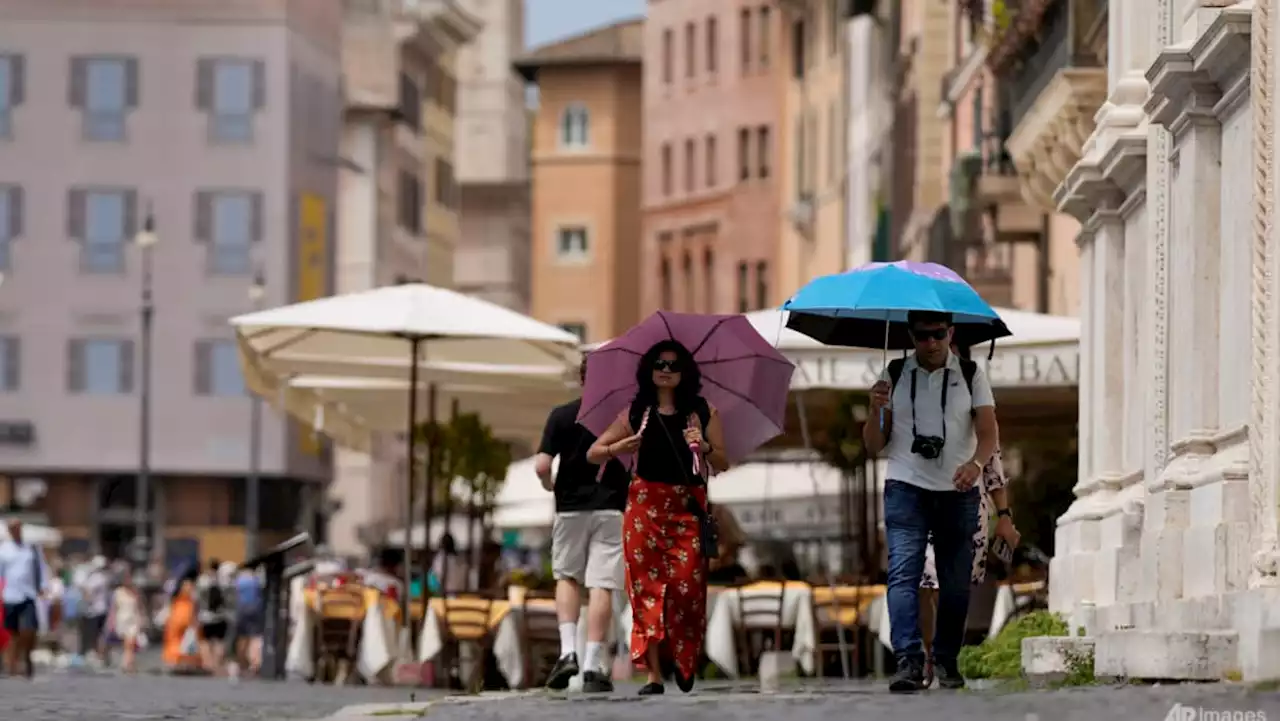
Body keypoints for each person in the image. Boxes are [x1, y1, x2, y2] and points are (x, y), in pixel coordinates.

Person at [863, 311, 998, 693]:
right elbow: (874, 444)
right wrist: (875, 410)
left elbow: (988, 435)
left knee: (955, 584)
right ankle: (908, 660)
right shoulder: (893, 374)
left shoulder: (971, 375)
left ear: (950, 333)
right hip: (906, 487)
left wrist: (975, 464)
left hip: (958, 491)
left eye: (939, 334)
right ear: (911, 336)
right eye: (922, 337)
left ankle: (946, 659)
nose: (931, 343)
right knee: (902, 574)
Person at [588, 339, 729, 696]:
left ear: (685, 372)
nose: (666, 371)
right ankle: (652, 674)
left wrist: (705, 446)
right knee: (645, 591)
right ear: (649, 371)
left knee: (686, 588)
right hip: (644, 511)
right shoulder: (636, 412)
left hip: (686, 508)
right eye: (659, 365)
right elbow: (594, 453)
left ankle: (684, 660)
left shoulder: (702, 411)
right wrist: (617, 449)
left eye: (673, 365)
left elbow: (724, 462)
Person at [917, 343, 1021, 688]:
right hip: (924, 503)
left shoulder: (981, 412)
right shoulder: (917, 400)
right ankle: (932, 655)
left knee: (952, 586)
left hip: (967, 508)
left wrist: (1004, 516)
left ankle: (945, 656)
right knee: (923, 581)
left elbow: (994, 468)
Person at [534, 355, 632, 693]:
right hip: (610, 509)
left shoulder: (561, 416)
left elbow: (542, 466)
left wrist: (551, 488)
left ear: (582, 380)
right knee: (602, 584)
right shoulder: (624, 419)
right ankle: (592, 665)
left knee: (568, 577)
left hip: (570, 510)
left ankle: (567, 653)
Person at [0, 520, 49, 677]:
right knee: (12, 632)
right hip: (9, 595)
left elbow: (41, 568)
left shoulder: (32, 549)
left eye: (18, 528)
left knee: (29, 630)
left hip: (28, 595)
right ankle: (13, 664)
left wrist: (43, 586)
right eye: (13, 528)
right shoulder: (4, 550)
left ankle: (27, 657)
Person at [108, 570, 145, 674]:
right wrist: (112, 622)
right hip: (122, 620)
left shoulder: (135, 592)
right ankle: (128, 663)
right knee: (127, 644)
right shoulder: (118, 592)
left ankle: (127, 664)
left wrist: (142, 619)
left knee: (131, 642)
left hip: (133, 619)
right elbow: (113, 608)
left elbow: (140, 607)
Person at [196, 559, 229, 674]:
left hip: (205, 616)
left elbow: (197, 599)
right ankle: (217, 664)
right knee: (219, 642)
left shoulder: (203, 581)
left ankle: (208, 664)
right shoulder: (224, 581)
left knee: (205, 641)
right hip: (221, 616)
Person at [78, 556, 111, 667]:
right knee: (99, 633)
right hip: (100, 609)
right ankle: (100, 655)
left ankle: (97, 655)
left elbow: (88, 593)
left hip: (95, 610)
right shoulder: (103, 577)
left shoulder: (98, 578)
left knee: (94, 634)